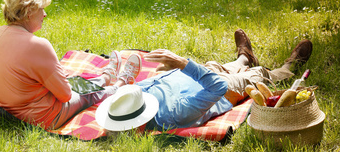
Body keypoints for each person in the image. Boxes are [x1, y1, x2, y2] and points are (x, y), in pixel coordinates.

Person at [0, 0, 142, 130]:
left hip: (3, 107)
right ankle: (121, 83)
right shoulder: (37, 45)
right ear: (29, 11)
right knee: (85, 94)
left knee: (75, 83)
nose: (44, 14)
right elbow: (65, 95)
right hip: (39, 117)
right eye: (41, 9)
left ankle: (106, 77)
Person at [96, 29, 312, 131]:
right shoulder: (176, 113)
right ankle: (289, 66)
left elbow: (154, 85)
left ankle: (244, 57)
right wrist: (181, 63)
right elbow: (216, 87)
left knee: (216, 66)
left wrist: (171, 70)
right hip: (222, 91)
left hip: (198, 75)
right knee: (259, 75)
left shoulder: (130, 100)